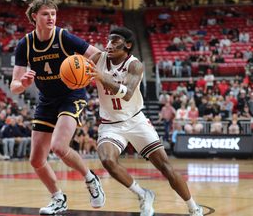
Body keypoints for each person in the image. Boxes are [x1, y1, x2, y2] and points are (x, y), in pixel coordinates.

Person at [87, 27, 203, 216]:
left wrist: (102, 78)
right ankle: (143, 194)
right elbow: (79, 76)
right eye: (109, 40)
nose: (109, 44)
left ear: (128, 45)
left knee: (165, 167)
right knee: (107, 160)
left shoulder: (135, 65)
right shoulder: (97, 58)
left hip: (135, 121)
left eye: (115, 41)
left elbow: (128, 94)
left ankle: (193, 207)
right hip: (110, 124)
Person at [10, 0, 105, 215]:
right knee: (36, 160)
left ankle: (91, 179)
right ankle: (58, 198)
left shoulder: (63, 37)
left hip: (72, 95)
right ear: (35, 17)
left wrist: (94, 70)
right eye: (45, 14)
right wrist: (22, 83)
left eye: (53, 14)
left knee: (59, 147)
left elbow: (96, 54)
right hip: (46, 100)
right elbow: (15, 85)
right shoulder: (25, 44)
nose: (51, 17)